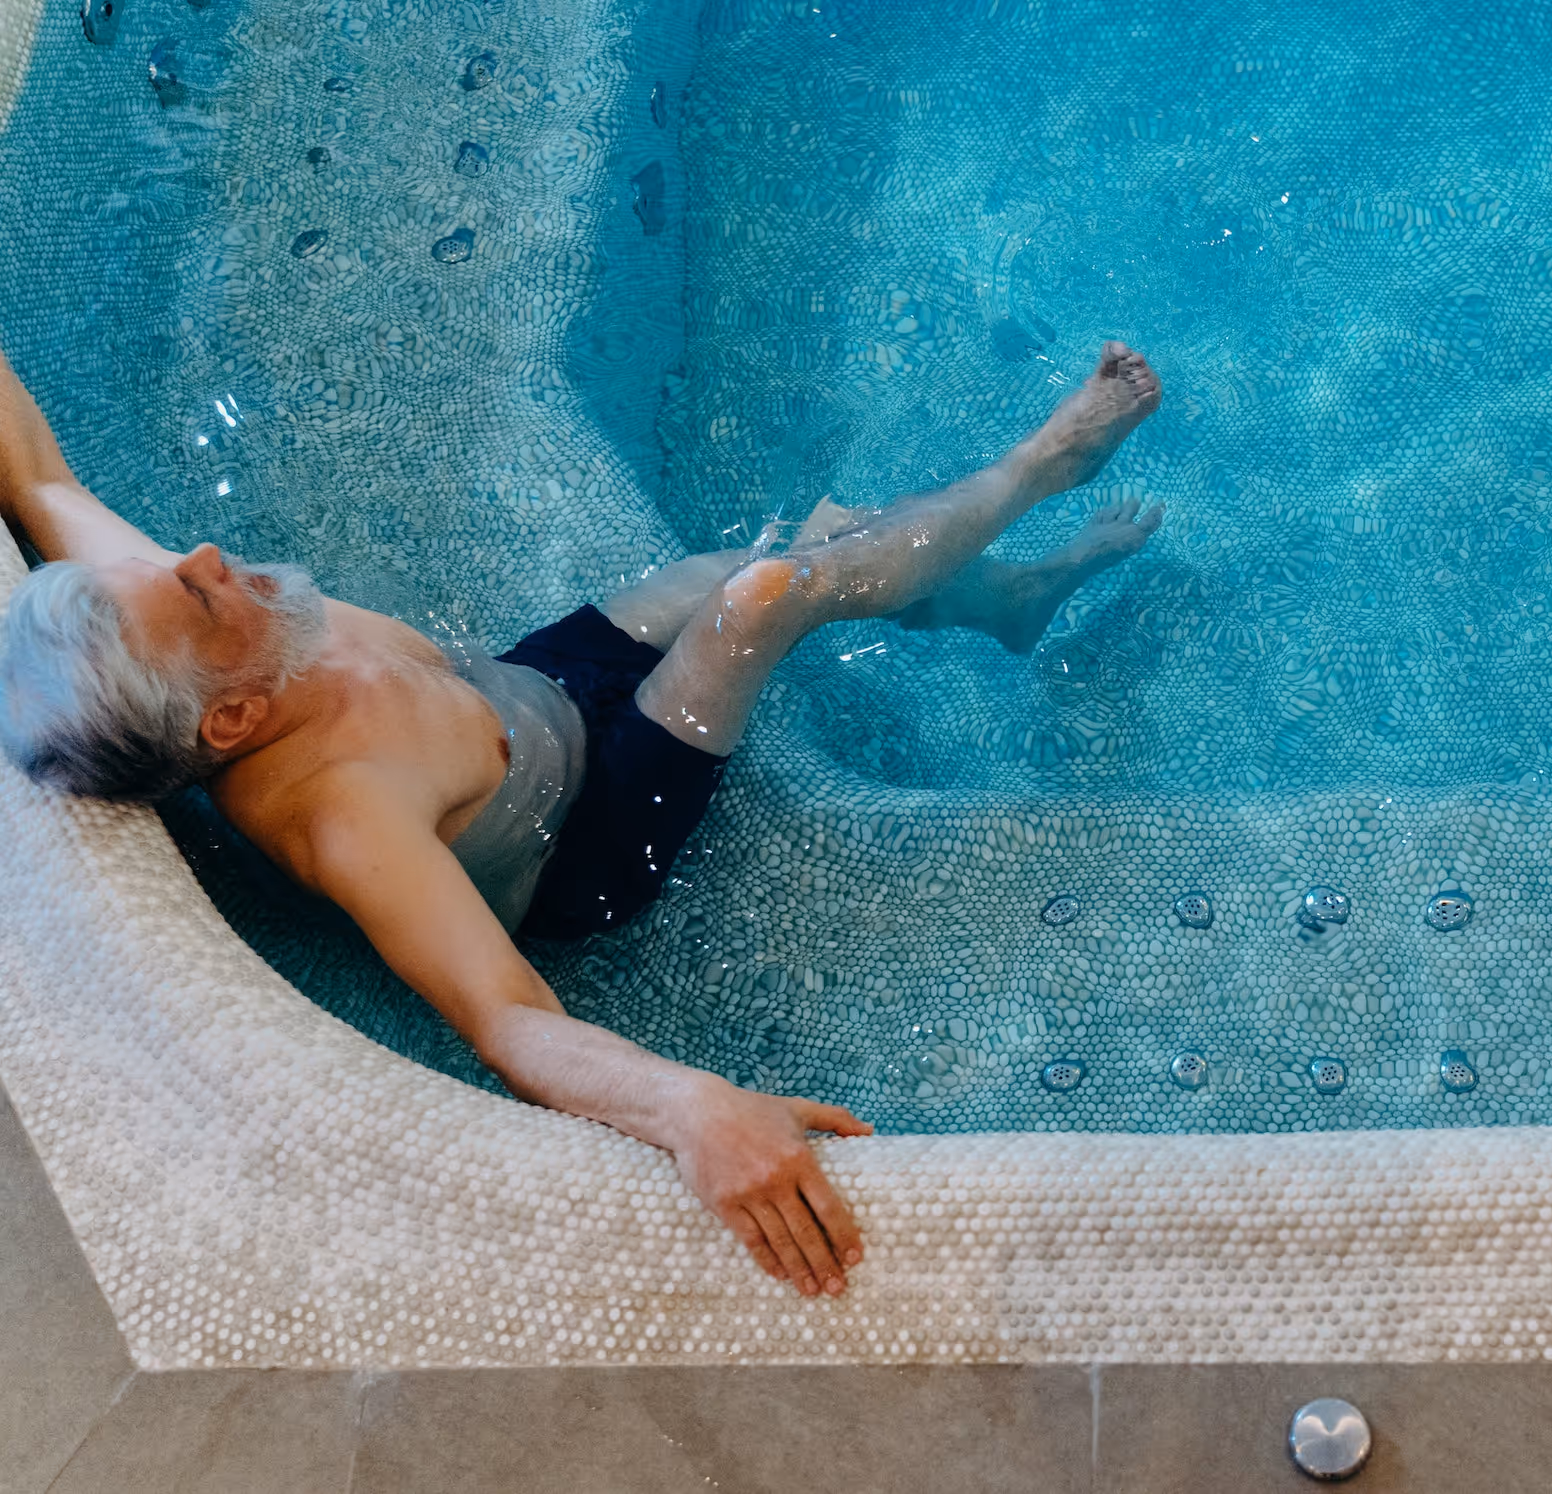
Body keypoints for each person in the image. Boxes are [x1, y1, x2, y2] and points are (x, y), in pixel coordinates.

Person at [0, 338, 1164, 1296]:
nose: (202, 556)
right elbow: (505, 1019)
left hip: (532, 688)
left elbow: (39, 478)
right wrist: (688, 1104)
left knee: (810, 544)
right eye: (201, 590)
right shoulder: (342, 813)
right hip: (588, 833)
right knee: (768, 595)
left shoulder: (182, 632)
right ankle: (1039, 470)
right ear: (234, 720)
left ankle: (1007, 599)